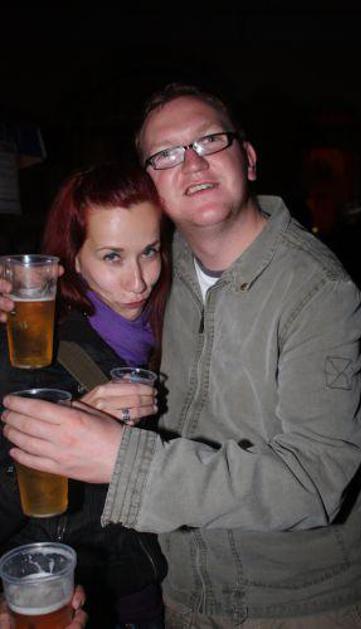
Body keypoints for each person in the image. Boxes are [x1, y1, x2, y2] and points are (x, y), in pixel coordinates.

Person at [1, 84, 361, 627]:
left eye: (210, 140)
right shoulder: (164, 270)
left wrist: (123, 462)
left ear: (248, 158)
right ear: (153, 189)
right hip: (182, 596)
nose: (193, 162)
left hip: (297, 606)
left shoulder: (318, 290)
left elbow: (316, 479)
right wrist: (16, 286)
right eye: (166, 154)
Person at [0, 162, 171, 628]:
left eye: (149, 251)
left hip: (146, 590)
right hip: (64, 594)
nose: (138, 281)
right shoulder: (31, 346)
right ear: (73, 259)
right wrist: (64, 429)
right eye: (112, 256)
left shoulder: (172, 329)